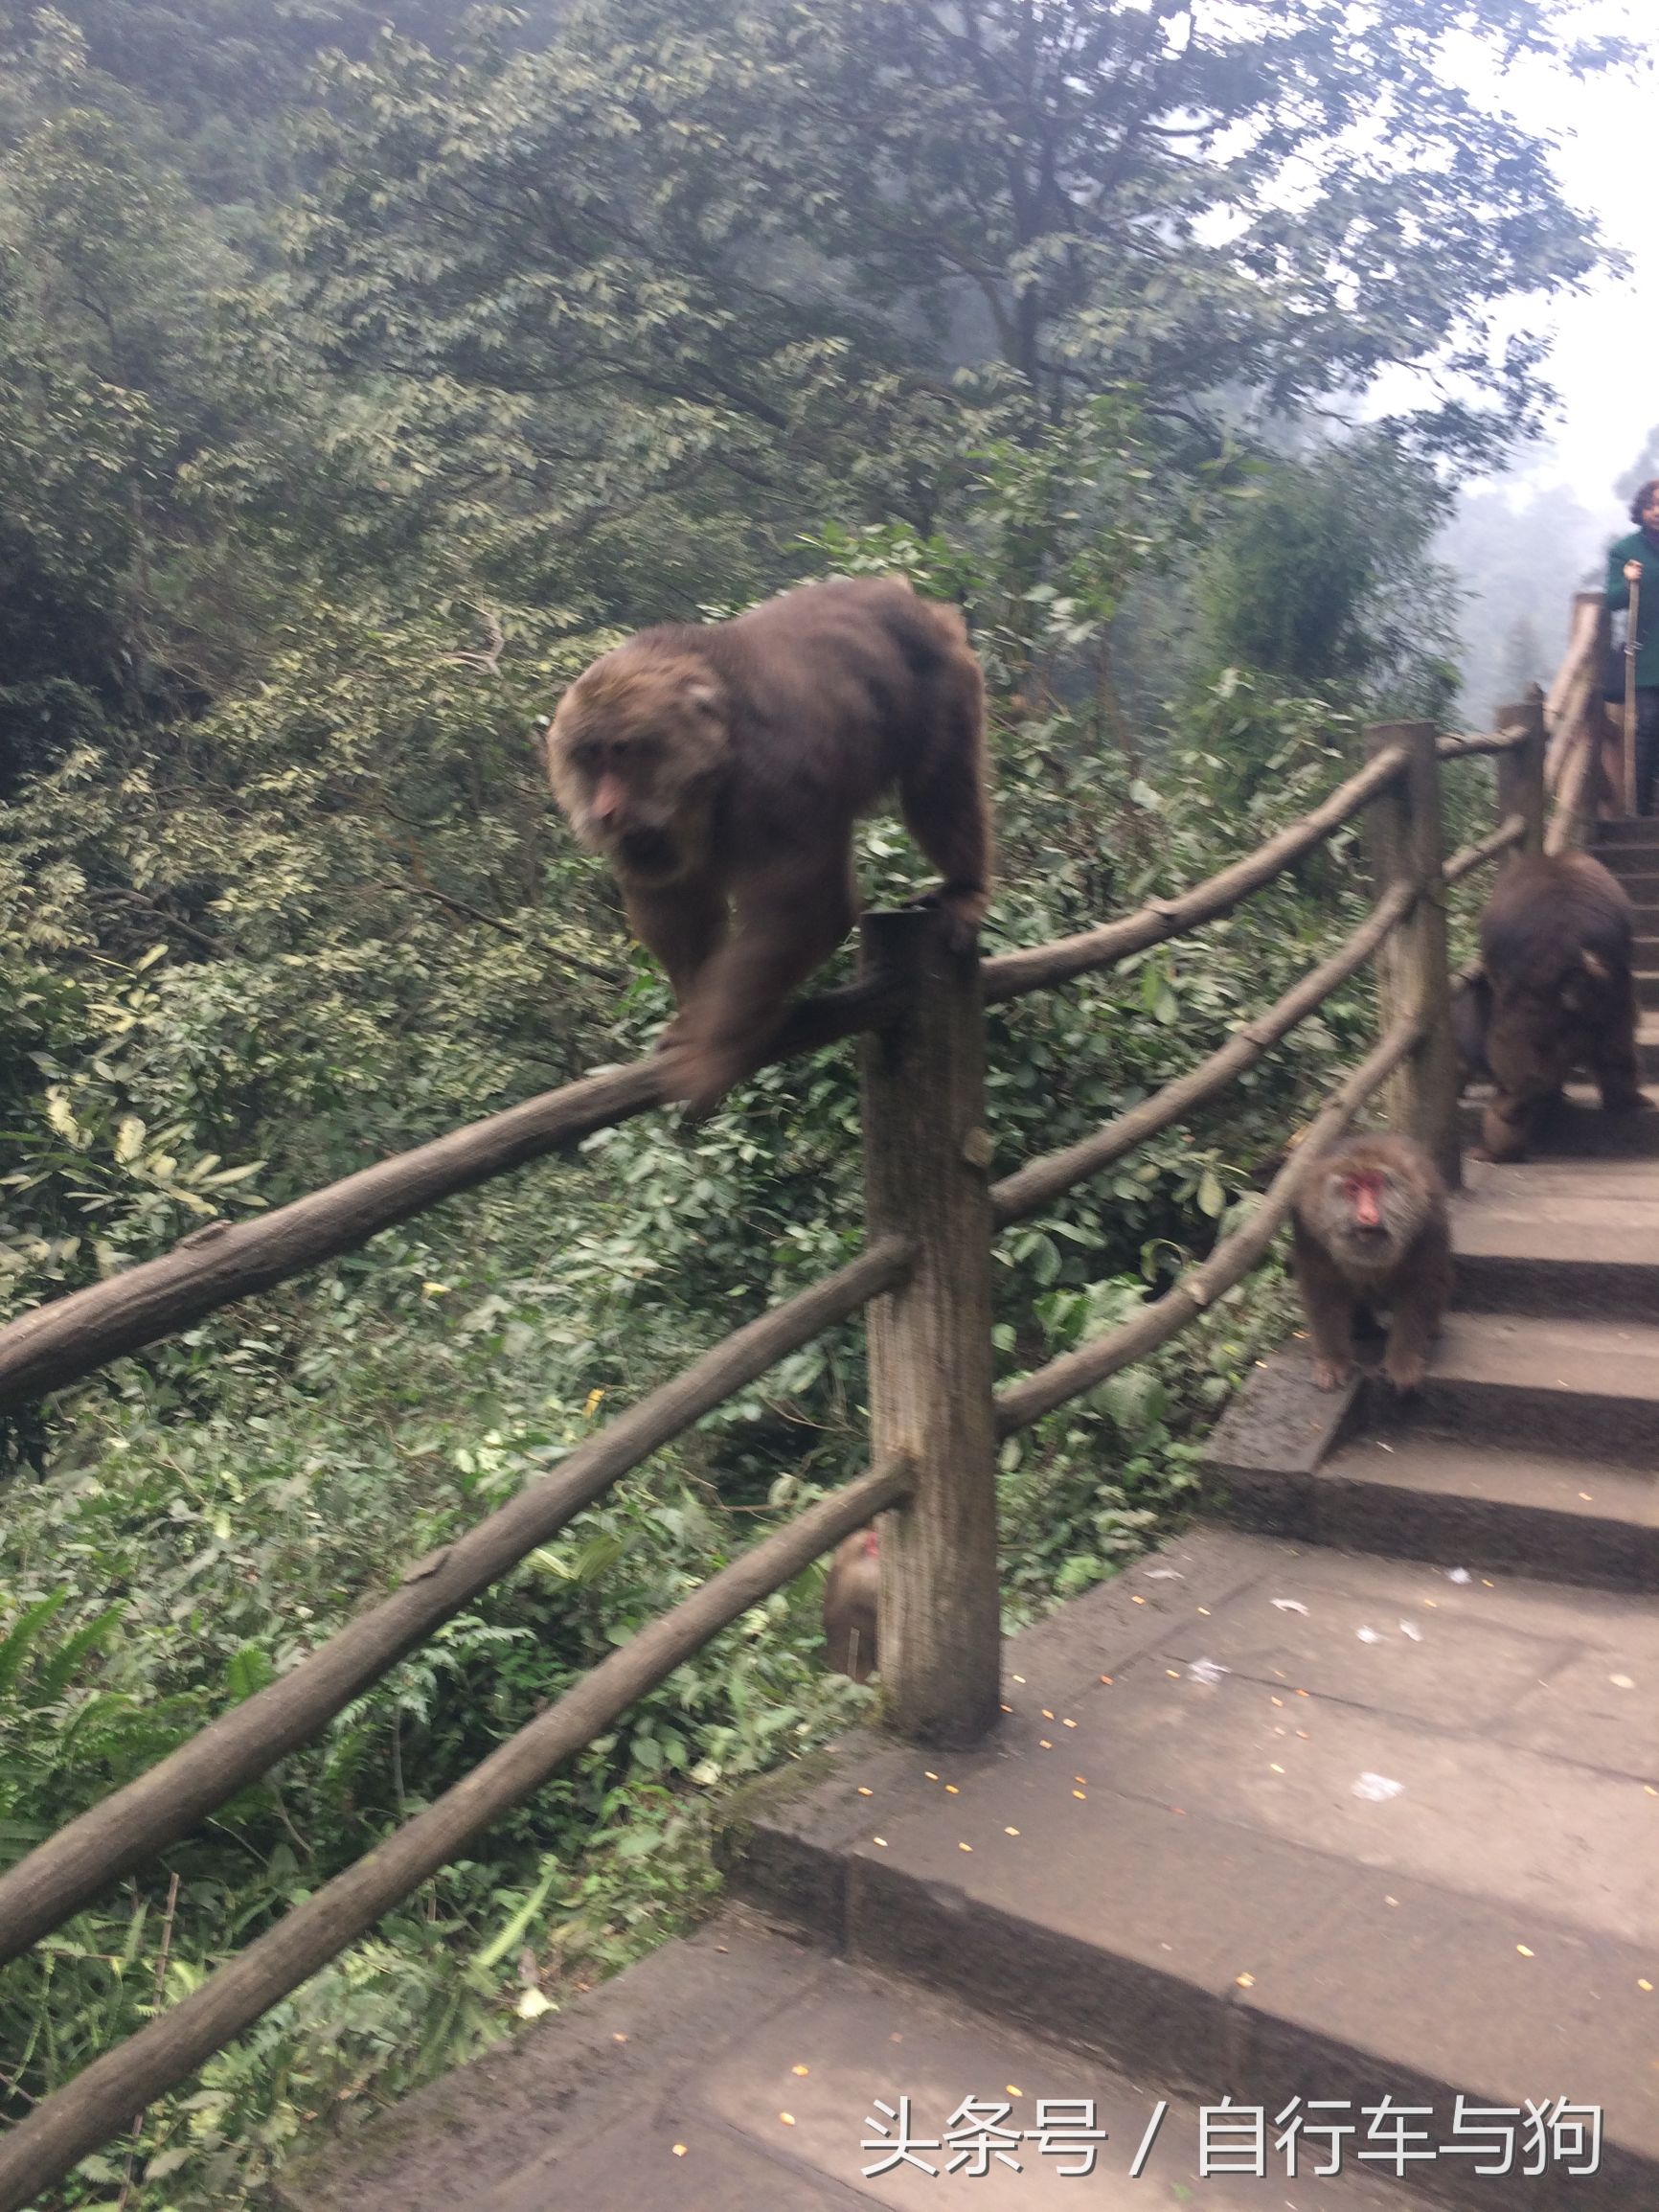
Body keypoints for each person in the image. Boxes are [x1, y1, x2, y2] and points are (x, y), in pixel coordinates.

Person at [1604, 479, 1659, 815]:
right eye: (1653, 505)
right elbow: (1610, 601)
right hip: (1647, 658)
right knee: (1647, 726)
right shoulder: (1625, 550)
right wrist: (1627, 581)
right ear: (1640, 511)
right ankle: (1639, 810)